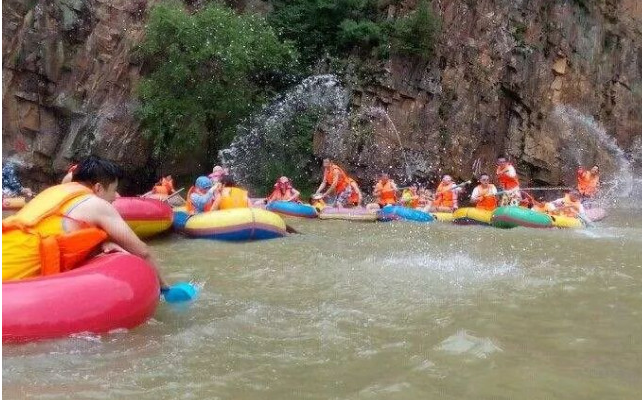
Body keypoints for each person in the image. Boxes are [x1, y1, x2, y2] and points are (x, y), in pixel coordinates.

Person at [2, 155, 169, 289]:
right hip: (11, 275)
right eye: (112, 191)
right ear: (98, 188)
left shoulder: (52, 192)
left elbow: (64, 233)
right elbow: (143, 252)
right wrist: (163, 288)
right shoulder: (96, 204)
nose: (114, 197)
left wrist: (101, 244)